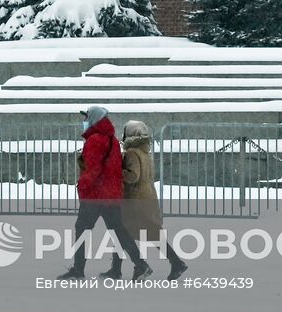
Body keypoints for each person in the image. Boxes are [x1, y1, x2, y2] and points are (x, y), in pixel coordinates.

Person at [56, 106, 151, 280]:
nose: (84, 121)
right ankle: (141, 264)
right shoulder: (112, 140)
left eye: (86, 118)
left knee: (82, 229)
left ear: (94, 119)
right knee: (119, 231)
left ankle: (78, 270)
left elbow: (93, 169)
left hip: (95, 195)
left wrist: (82, 185)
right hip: (111, 194)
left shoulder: (95, 140)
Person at [106, 120, 187, 281]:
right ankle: (119, 268)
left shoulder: (132, 153)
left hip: (135, 202)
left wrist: (116, 171)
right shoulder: (145, 152)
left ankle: (133, 268)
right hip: (146, 198)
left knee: (123, 233)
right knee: (137, 233)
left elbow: (133, 175)